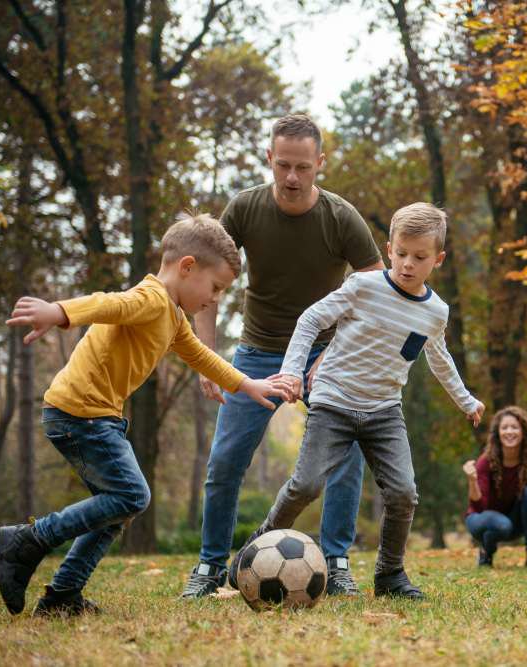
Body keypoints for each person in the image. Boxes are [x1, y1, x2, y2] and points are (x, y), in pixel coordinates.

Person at [0, 213, 293, 617]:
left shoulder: (171, 316)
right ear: (187, 267)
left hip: (93, 417)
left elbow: (200, 356)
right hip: (79, 414)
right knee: (132, 494)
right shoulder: (151, 299)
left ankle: (62, 595)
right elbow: (108, 303)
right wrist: (59, 312)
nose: (215, 298)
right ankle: (28, 540)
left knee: (116, 507)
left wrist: (247, 384)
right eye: (216, 286)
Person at [234, 202, 484, 600]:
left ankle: (389, 576)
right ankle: (255, 549)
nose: (407, 264)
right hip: (333, 402)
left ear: (438, 259)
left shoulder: (435, 312)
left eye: (419, 258)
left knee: (403, 493)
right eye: (401, 253)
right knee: (306, 485)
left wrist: (466, 399)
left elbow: (439, 358)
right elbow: (310, 320)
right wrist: (293, 372)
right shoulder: (362, 287)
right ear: (389, 249)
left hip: (384, 412)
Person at [182, 114, 385, 599]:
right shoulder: (245, 209)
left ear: (320, 164)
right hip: (259, 350)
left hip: (326, 355)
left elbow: (377, 289)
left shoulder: (341, 218)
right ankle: (210, 567)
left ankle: (336, 561)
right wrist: (208, 358)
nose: (292, 178)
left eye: (303, 167)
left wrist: (335, 352)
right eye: (283, 166)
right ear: (269, 160)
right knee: (226, 458)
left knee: (346, 457)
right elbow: (206, 284)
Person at [463, 406, 527, 569]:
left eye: (514, 427)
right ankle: (486, 552)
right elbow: (479, 506)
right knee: (501, 524)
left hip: (511, 523)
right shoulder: (486, 461)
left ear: (523, 432)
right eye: (505, 428)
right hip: (481, 518)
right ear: (498, 433)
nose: (509, 431)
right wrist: (472, 481)